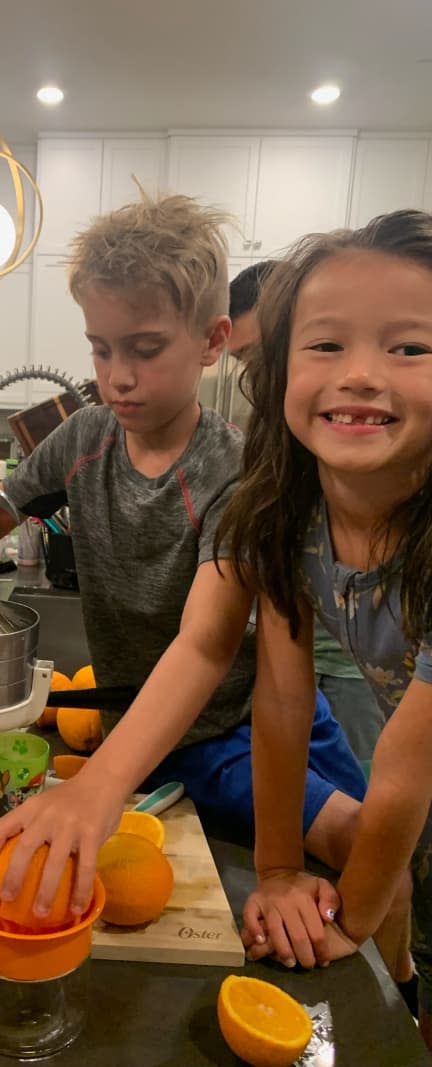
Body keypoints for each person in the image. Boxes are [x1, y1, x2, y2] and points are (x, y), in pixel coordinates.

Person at [0, 195, 399, 973]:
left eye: (145, 348)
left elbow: (206, 640)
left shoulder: (232, 472)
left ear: (212, 340)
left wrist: (96, 784)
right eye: (101, 349)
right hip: (142, 735)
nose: (117, 377)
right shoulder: (84, 436)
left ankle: (398, 990)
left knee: (362, 845)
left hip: (233, 732)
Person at [216, 209, 432, 1042]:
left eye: (410, 347)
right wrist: (275, 870)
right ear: (276, 373)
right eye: (327, 345)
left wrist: (350, 921)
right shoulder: (287, 513)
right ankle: (407, 989)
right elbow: (280, 698)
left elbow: (406, 773)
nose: (363, 375)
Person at [229, 260, 387, 762]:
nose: (257, 380)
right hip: (304, 657)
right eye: (246, 363)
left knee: (368, 795)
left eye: (262, 358)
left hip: (353, 675)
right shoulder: (277, 458)